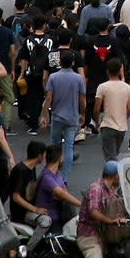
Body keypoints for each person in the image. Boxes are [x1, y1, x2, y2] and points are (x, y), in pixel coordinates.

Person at [41, 51, 86, 182]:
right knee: (69, 147)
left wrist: (44, 115)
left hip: (56, 117)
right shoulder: (78, 78)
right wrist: (82, 113)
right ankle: (64, 178)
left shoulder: (53, 77)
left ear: (59, 62)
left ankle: (52, 172)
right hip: (72, 117)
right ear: (73, 63)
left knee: (54, 145)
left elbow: (48, 97)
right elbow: (82, 99)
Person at [76, 161, 129, 258]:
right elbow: (93, 211)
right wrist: (111, 221)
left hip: (107, 234)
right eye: (119, 175)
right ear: (116, 176)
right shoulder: (96, 188)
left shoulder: (112, 189)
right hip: (90, 235)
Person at [9, 141, 52, 254]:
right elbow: (16, 197)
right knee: (46, 221)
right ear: (39, 155)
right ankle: (28, 250)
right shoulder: (21, 170)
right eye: (44, 154)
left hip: (30, 208)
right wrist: (36, 210)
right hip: (22, 213)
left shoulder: (31, 168)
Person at [34, 145, 83, 235]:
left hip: (60, 215)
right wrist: (81, 204)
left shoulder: (57, 173)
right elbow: (60, 193)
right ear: (60, 158)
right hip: (49, 218)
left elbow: (65, 191)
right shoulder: (47, 177)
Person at [93, 59, 130, 162]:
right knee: (115, 153)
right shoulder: (127, 88)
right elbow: (129, 108)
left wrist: (98, 122)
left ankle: (112, 176)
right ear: (120, 70)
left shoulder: (102, 87)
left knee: (110, 157)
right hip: (122, 127)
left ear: (107, 71)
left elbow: (97, 109)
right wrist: (123, 118)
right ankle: (115, 175)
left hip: (107, 126)